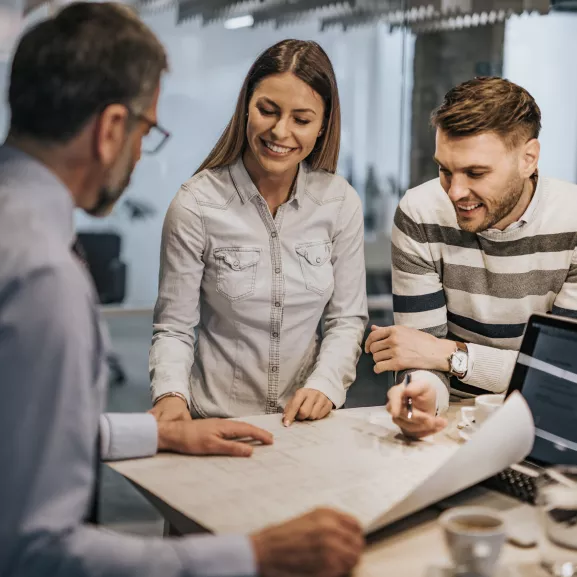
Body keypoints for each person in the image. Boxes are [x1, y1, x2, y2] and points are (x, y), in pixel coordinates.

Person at [0, 4, 365, 577]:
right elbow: (35, 550)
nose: (142, 150)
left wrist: (157, 433)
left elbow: (24, 431)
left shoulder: (21, 238)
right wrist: (253, 557)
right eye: (148, 129)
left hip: (295, 441)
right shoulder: (44, 273)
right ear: (113, 129)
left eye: (301, 118)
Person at [149, 39, 368, 426]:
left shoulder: (340, 203)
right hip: (216, 420)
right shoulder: (196, 205)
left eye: (301, 120)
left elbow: (346, 320)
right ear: (246, 107)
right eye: (267, 110)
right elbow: (174, 327)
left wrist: (325, 386)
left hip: (306, 425)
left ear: (323, 126)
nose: (280, 131)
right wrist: (171, 395)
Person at [366, 76, 577, 438]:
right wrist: (419, 404)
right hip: (454, 421)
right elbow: (419, 355)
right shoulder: (420, 214)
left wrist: (451, 355)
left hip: (550, 423)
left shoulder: (572, 221)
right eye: (445, 170)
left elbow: (560, 376)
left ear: (528, 159)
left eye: (476, 173)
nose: (455, 191)